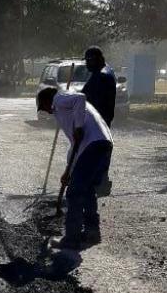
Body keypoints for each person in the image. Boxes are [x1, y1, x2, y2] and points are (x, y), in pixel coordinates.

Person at [37, 87, 113, 250]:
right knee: (87, 190)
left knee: (74, 192)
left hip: (93, 145)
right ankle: (93, 233)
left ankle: (72, 239)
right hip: (103, 144)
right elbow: (75, 148)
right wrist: (68, 172)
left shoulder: (59, 99)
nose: (48, 113)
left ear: (47, 100)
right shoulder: (69, 110)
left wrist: (78, 127)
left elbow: (80, 97)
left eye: (43, 107)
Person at [80, 46, 117, 127]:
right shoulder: (98, 73)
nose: (86, 64)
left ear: (94, 60)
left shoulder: (102, 76)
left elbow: (94, 101)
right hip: (99, 120)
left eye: (88, 61)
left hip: (98, 121)